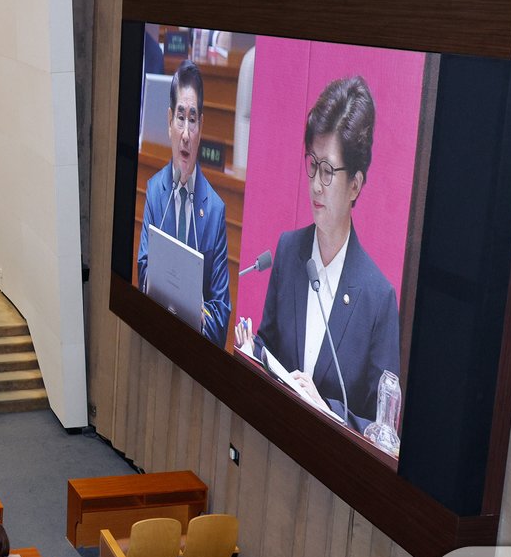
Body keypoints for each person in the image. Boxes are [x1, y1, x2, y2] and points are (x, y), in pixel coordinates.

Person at [235, 76, 400, 434]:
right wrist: (252, 351)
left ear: (355, 184)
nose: (314, 185)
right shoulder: (288, 251)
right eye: (312, 165)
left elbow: (381, 431)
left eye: (327, 171)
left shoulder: (378, 299)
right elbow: (271, 345)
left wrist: (325, 409)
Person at [136, 60, 231, 347]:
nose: (186, 133)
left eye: (192, 119)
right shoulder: (155, 192)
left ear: (201, 125)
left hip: (194, 350)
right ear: (169, 121)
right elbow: (143, 270)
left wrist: (195, 314)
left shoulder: (214, 210)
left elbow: (222, 310)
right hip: (155, 340)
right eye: (180, 118)